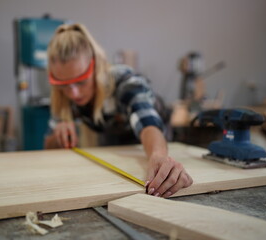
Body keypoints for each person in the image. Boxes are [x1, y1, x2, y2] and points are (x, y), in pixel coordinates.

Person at [45, 23, 193, 198]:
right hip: (119, 146)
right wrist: (58, 135)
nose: (73, 93)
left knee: (160, 176)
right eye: (64, 85)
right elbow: (48, 146)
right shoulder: (65, 95)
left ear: (97, 66)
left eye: (81, 81)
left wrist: (159, 155)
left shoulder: (126, 82)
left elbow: (148, 125)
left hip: (154, 142)